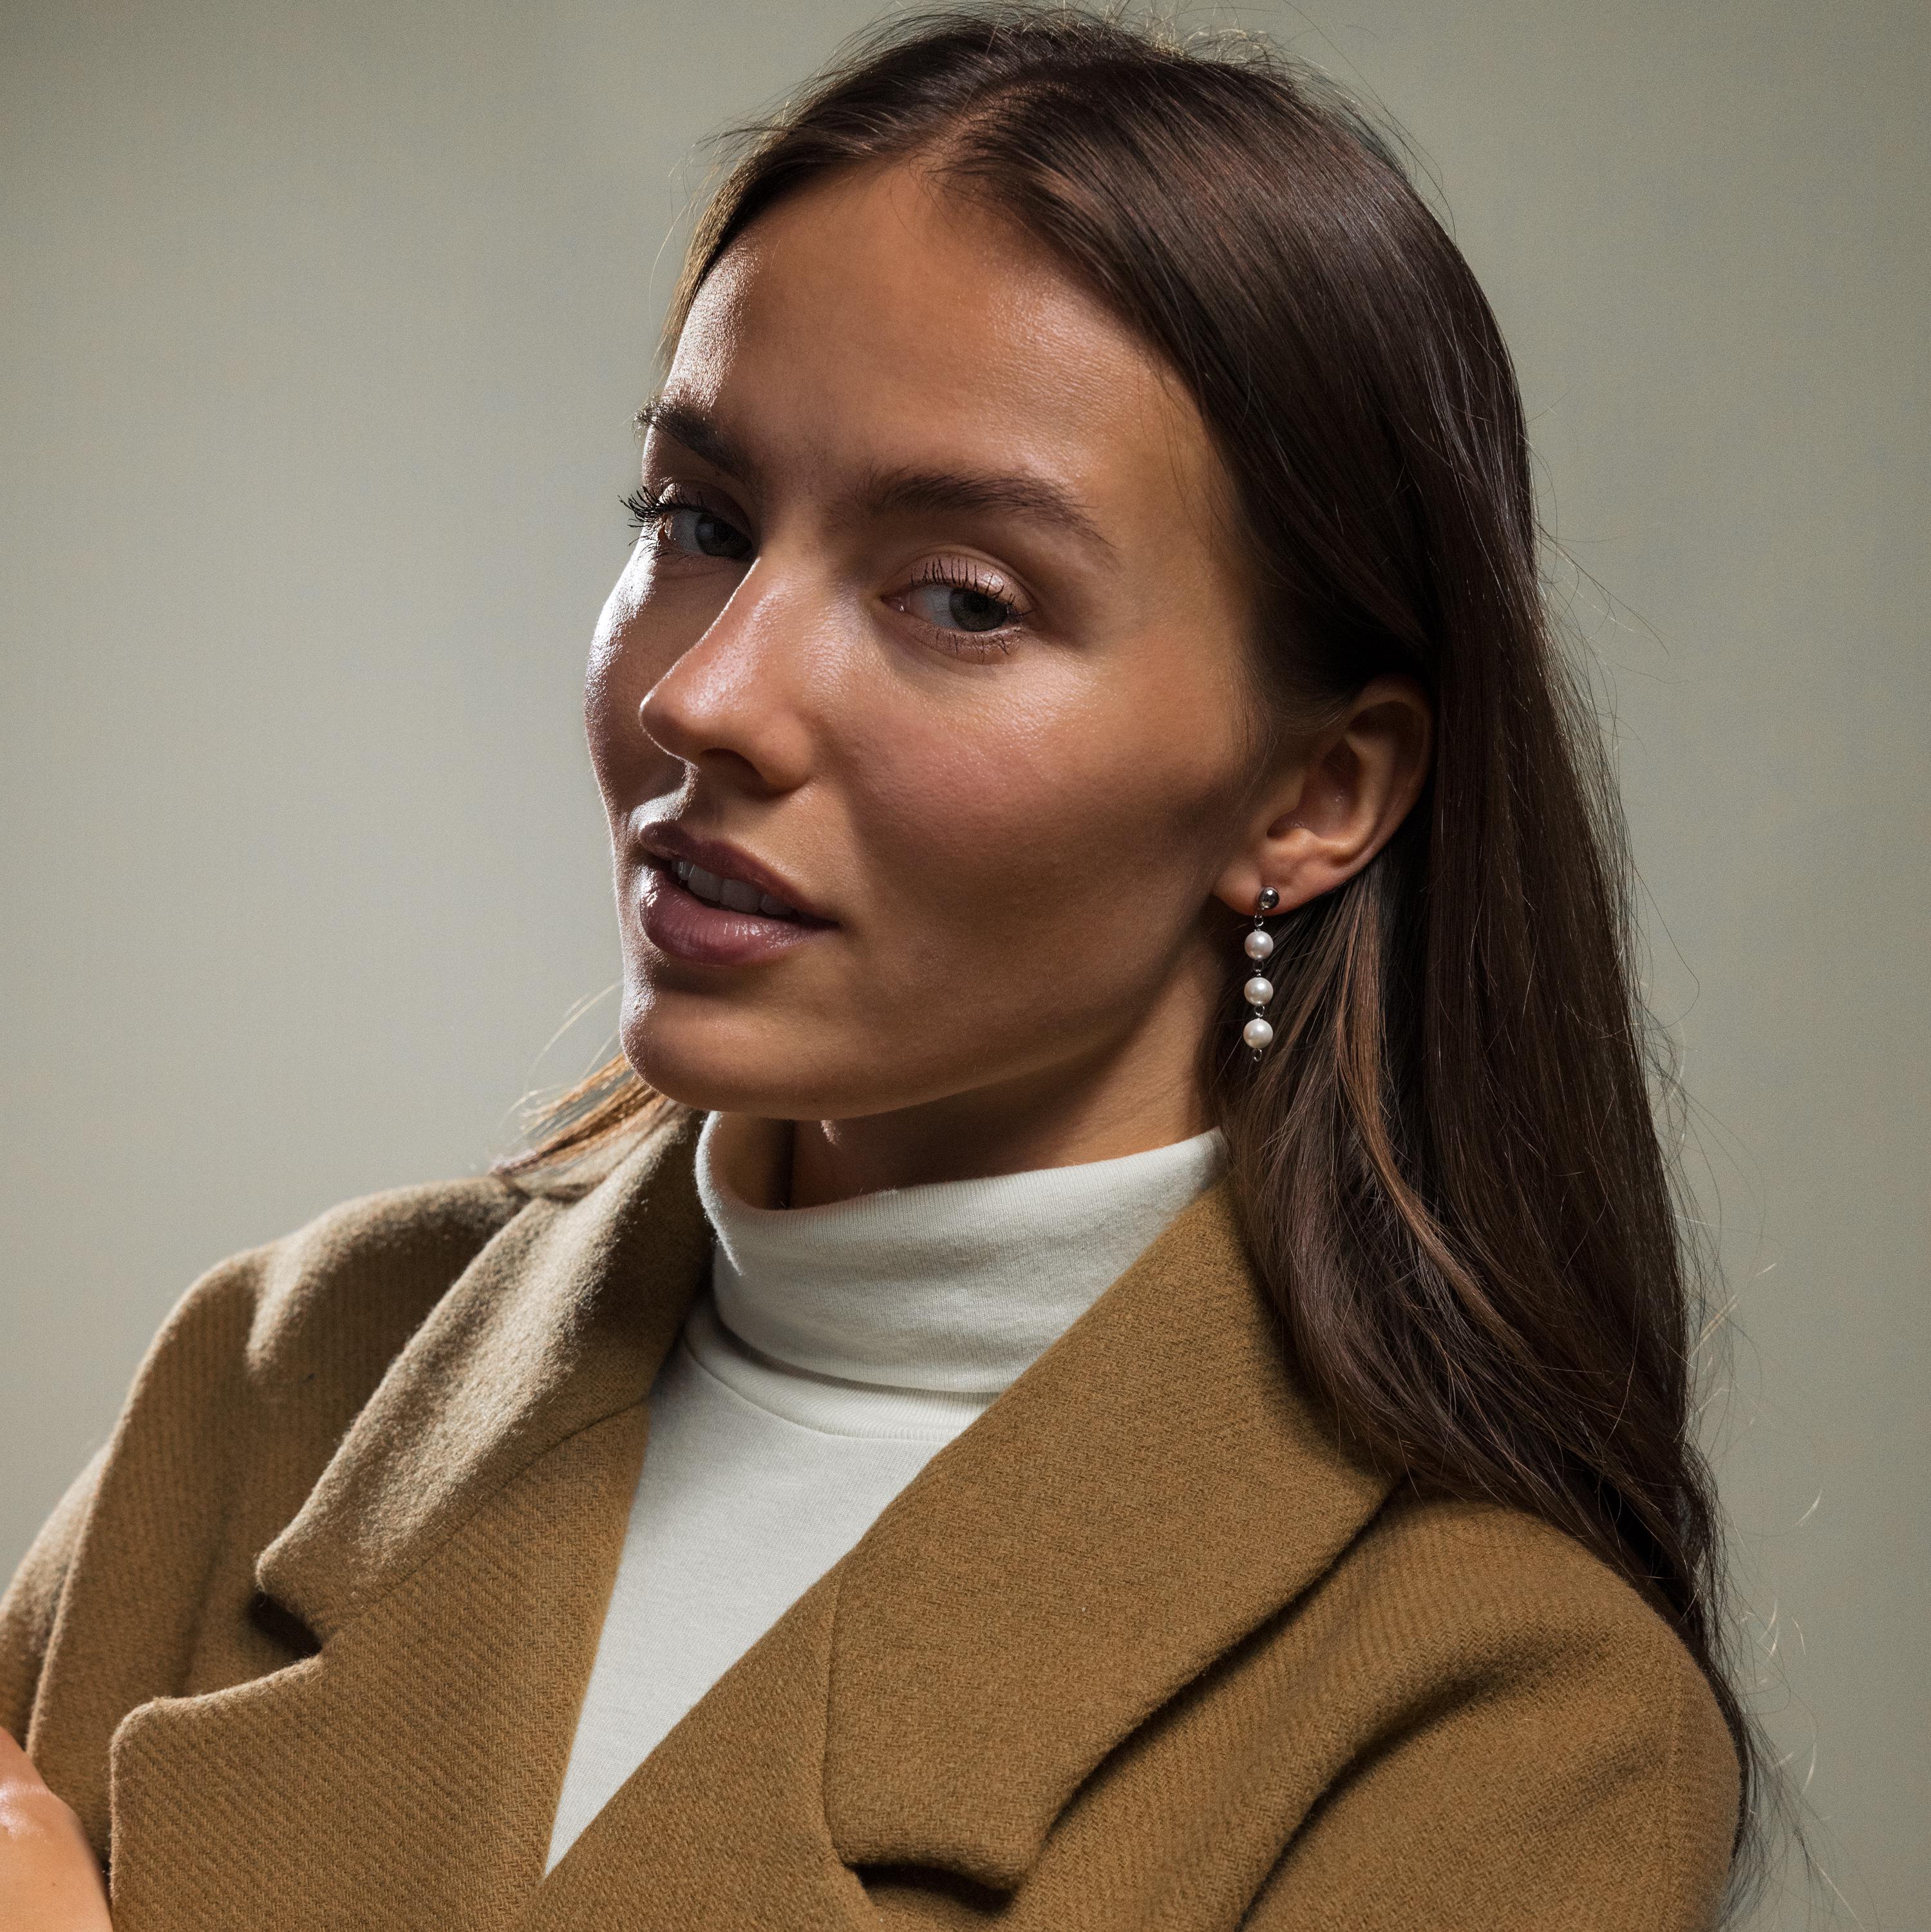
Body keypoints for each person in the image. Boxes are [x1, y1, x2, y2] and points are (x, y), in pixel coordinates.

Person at [0, 6, 1771, 1927]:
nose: (708, 692)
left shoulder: (1497, 1717)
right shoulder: (281, 1376)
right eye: (699, 521)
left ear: (1315, 792)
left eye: (959, 599)